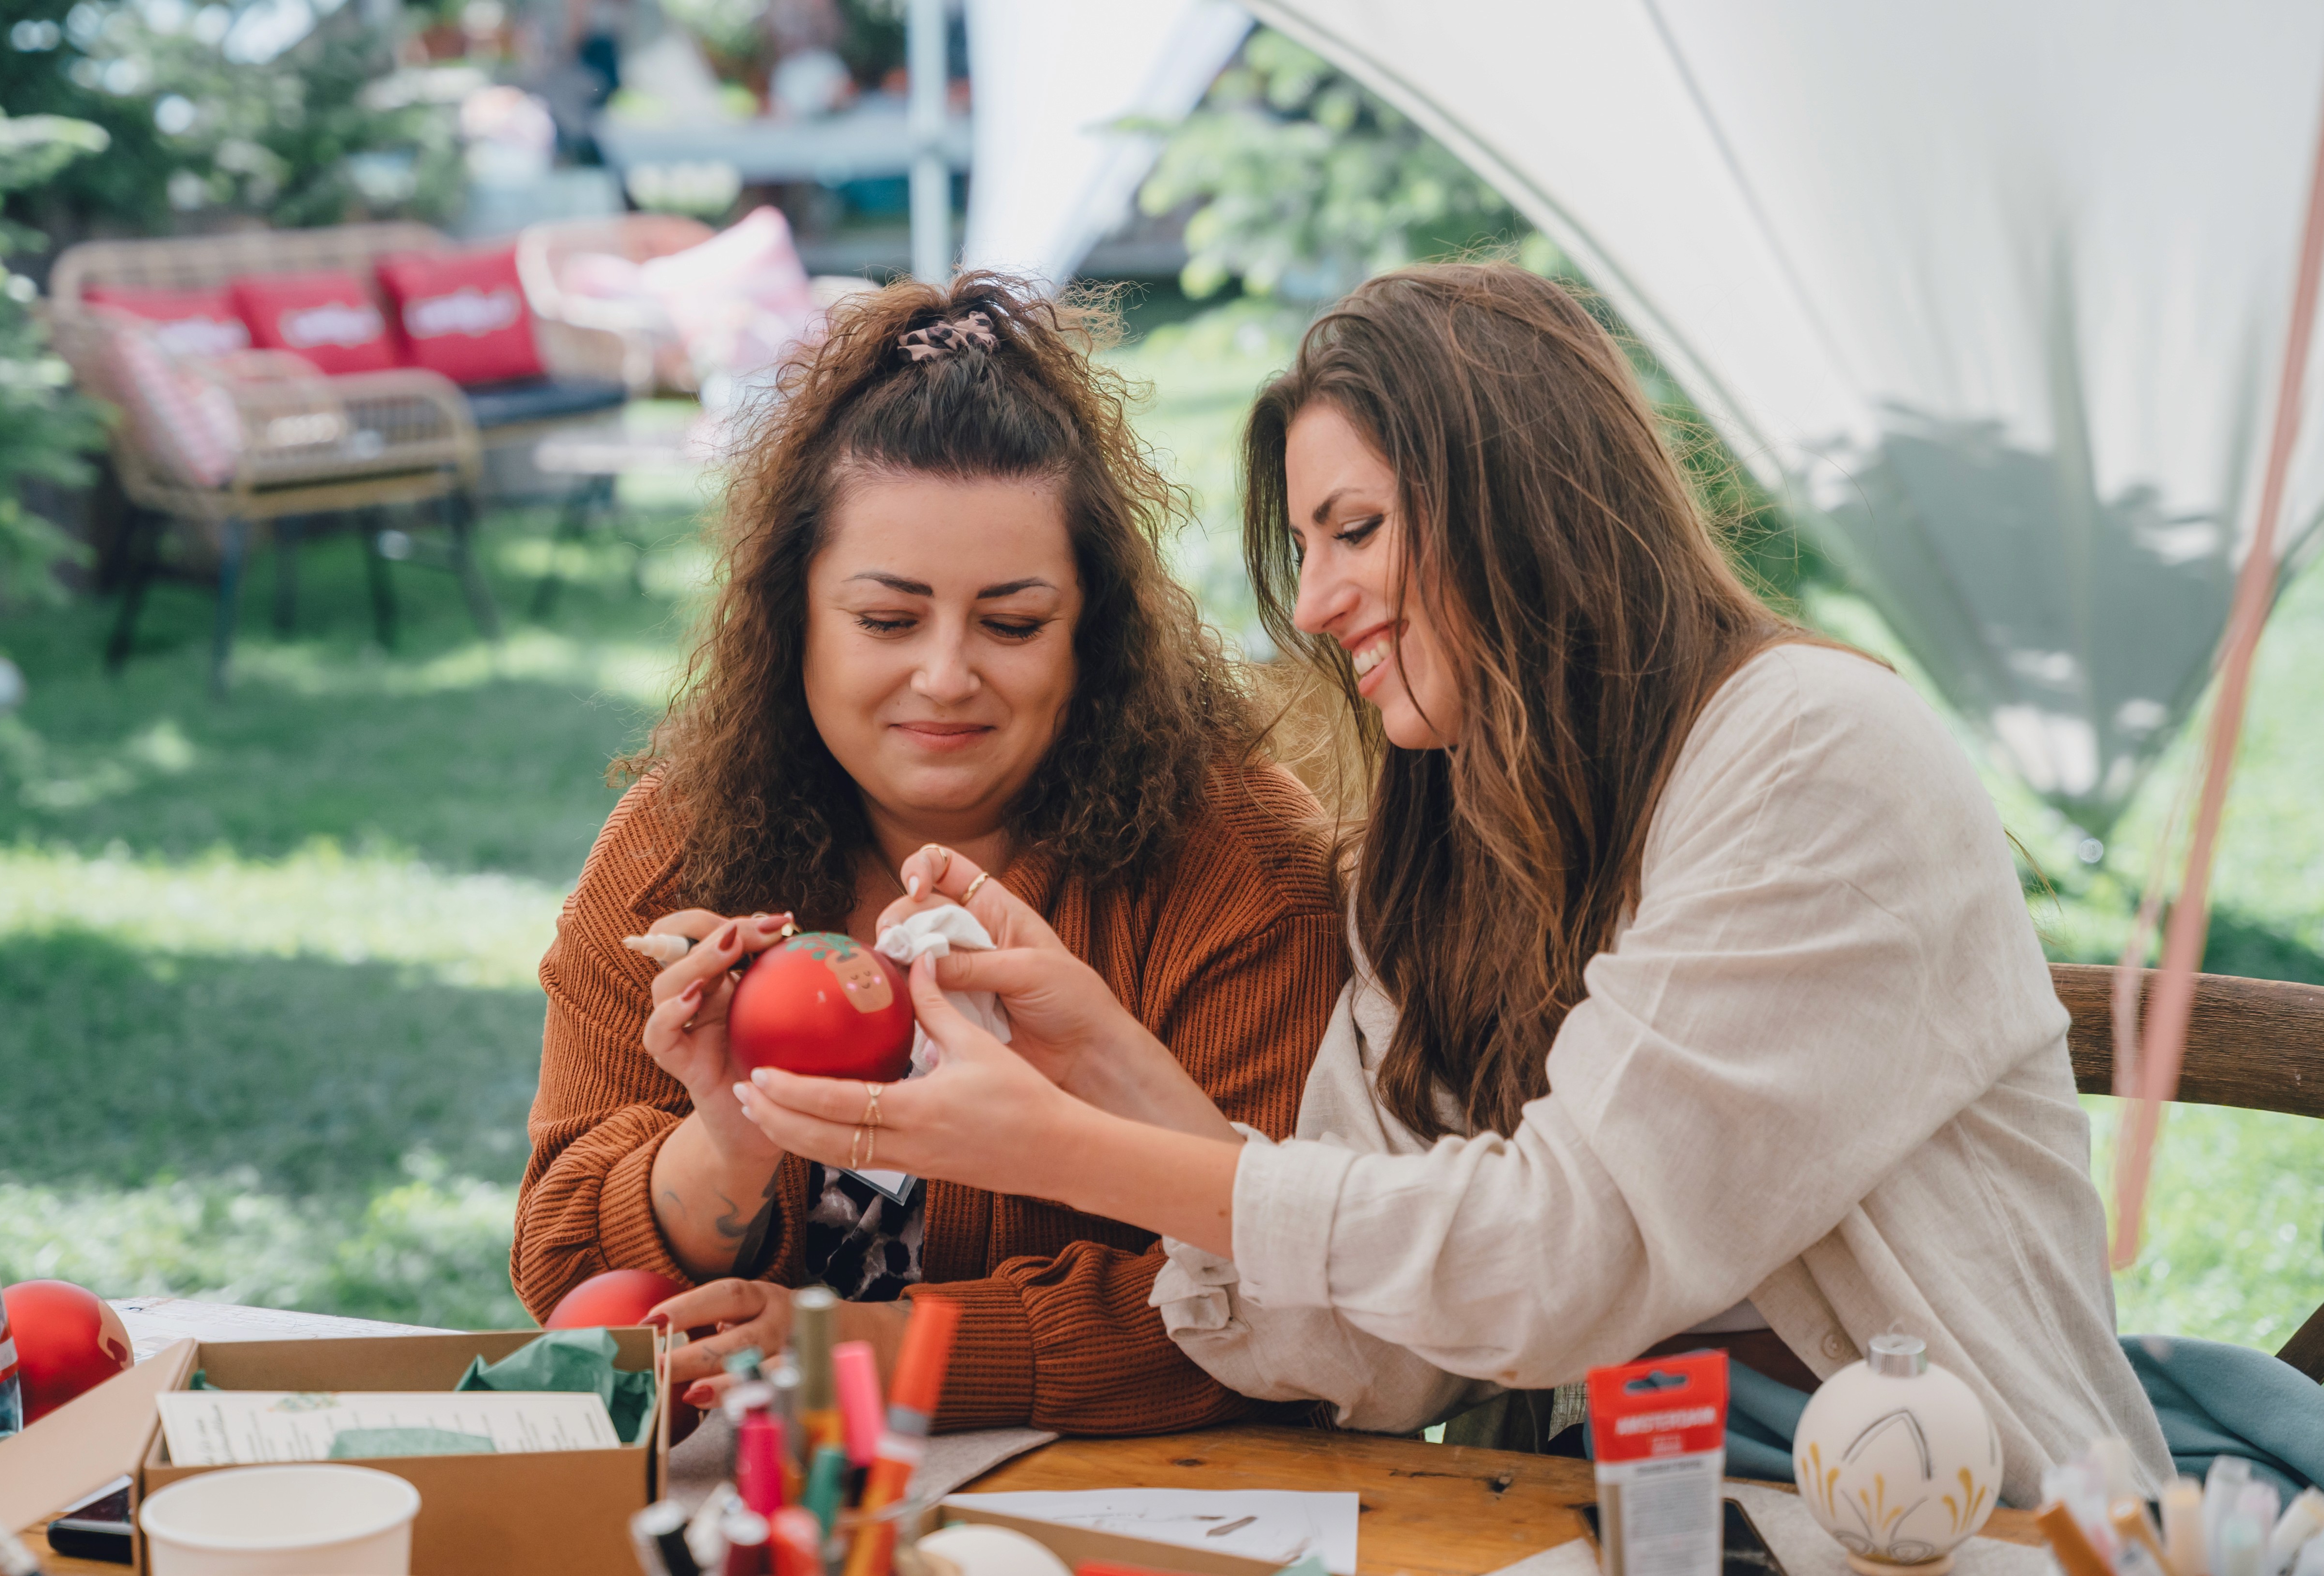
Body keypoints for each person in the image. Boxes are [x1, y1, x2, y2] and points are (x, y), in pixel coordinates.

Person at [736, 262, 2173, 1502]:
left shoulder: (1811, 754)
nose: (1310, 603)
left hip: (1952, 1513)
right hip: (1617, 1503)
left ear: (1521, 504)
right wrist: (1106, 1060)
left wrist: (1060, 1146)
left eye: (1353, 530)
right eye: (1302, 547)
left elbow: (1559, 1258)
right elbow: (1366, 1344)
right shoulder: (1442, 835)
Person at [513, 273, 1347, 1435]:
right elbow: (565, 1270)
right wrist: (731, 1142)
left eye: (1011, 623)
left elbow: (1285, 1295)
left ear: (1091, 631)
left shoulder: (1241, 871)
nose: (947, 677)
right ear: (788, 610)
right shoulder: (673, 846)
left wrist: (860, 1351)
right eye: (887, 621)